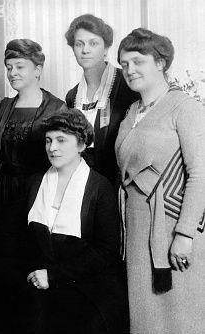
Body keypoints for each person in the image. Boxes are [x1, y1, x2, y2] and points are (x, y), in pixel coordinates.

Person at [116, 28, 205, 333]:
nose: (129, 70)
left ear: (161, 62)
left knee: (180, 317)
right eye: (124, 64)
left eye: (137, 61)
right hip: (137, 230)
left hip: (172, 229)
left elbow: (201, 174)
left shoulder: (185, 107)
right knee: (146, 319)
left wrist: (185, 234)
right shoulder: (131, 112)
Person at [0, 39, 67, 333]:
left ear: (38, 70)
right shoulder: (2, 107)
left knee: (35, 264)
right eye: (8, 67)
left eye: (20, 66)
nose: (13, 73)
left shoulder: (56, 107)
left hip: (39, 192)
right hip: (6, 194)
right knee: (6, 269)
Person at [26, 109, 128, 334]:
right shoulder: (34, 183)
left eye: (61, 140)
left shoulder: (100, 188)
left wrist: (54, 277)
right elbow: (20, 241)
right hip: (41, 286)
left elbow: (106, 253)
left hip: (88, 291)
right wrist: (36, 274)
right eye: (48, 140)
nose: (52, 148)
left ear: (81, 145)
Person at [64, 14, 139, 185]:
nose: (85, 50)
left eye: (93, 43)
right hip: (81, 181)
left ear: (106, 48)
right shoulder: (72, 96)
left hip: (117, 183)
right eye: (79, 44)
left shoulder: (127, 86)